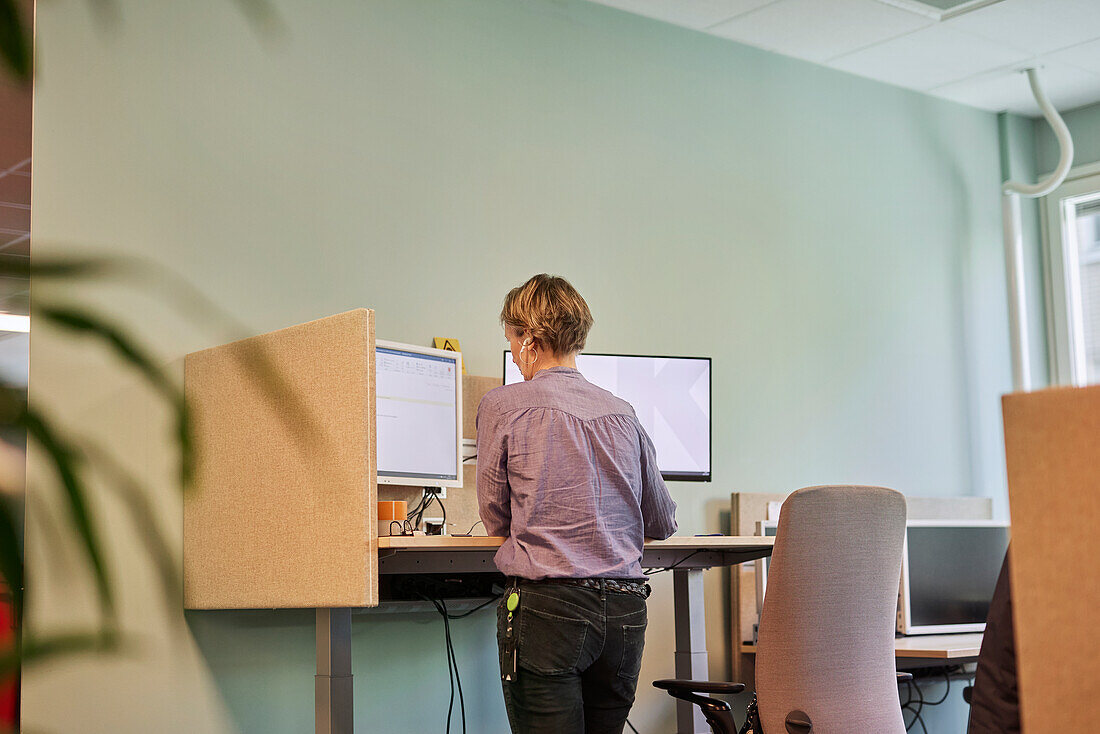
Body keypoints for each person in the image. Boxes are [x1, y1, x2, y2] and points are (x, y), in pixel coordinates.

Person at [476, 273, 678, 734]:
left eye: (512, 340)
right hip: (626, 613)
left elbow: (495, 517)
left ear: (528, 338)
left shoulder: (504, 405)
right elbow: (662, 521)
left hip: (550, 610)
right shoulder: (622, 412)